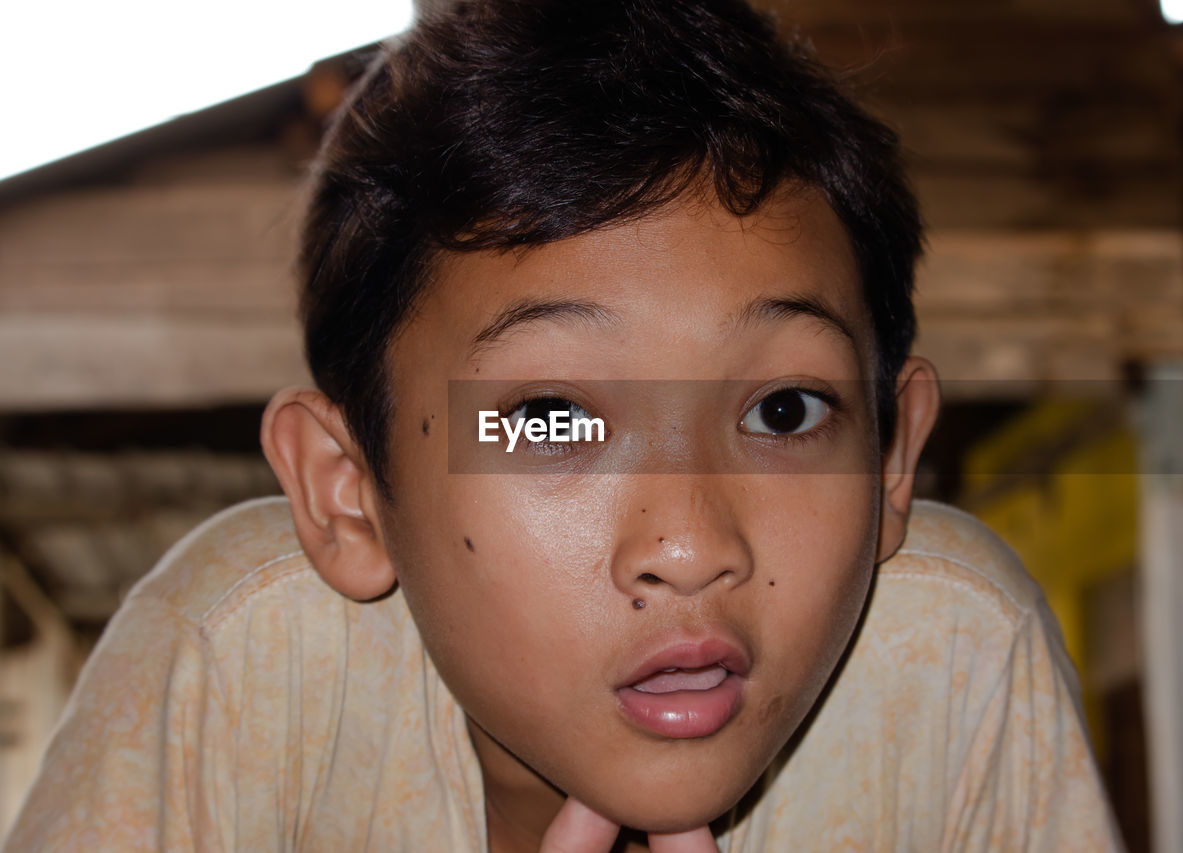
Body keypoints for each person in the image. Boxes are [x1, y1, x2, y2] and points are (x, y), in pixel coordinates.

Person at [4, 0, 1122, 850]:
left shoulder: (950, 659)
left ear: (889, 456)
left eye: (782, 410)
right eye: (549, 418)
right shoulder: (242, 669)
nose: (688, 546)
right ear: (349, 491)